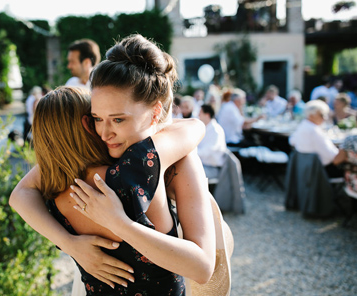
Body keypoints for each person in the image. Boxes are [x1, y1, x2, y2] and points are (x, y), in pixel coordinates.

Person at [11, 35, 216, 295]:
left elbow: (202, 266)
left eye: (118, 120)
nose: (104, 133)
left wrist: (114, 225)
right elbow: (194, 126)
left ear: (154, 112)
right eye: (97, 118)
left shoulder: (168, 158)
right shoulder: (108, 160)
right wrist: (72, 243)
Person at [289, 100, 348, 177]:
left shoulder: (302, 126)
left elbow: (292, 141)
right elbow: (334, 158)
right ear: (311, 115)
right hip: (321, 172)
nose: (325, 118)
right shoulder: (315, 131)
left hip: (306, 170)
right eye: (322, 115)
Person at [197, 105, 227, 179]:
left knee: (185, 174)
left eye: (200, 112)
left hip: (212, 168)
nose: (198, 115)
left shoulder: (216, 130)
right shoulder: (206, 127)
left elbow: (207, 151)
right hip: (203, 165)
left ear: (207, 115)